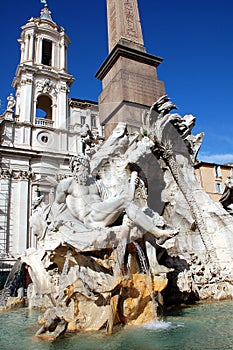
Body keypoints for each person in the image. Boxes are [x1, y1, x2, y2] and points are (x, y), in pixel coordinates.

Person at [49, 154, 178, 243]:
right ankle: (158, 233)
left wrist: (122, 192)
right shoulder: (67, 184)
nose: (76, 168)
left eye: (79, 165)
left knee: (125, 201)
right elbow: (57, 205)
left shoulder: (96, 183)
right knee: (125, 201)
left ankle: (156, 236)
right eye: (74, 166)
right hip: (90, 218)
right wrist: (60, 224)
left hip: (103, 213)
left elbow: (109, 199)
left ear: (86, 167)